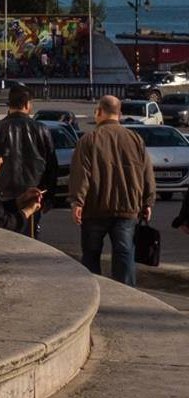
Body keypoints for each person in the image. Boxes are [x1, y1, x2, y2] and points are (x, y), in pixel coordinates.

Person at [68, 95, 156, 287]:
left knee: (91, 255)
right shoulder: (135, 139)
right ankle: (126, 295)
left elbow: (80, 174)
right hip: (127, 208)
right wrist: (148, 202)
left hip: (95, 208)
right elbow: (147, 172)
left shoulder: (89, 140)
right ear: (120, 114)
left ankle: (94, 292)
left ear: (98, 112)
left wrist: (77, 201)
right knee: (124, 255)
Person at [0, 82, 58, 239]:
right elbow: (51, 166)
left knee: (5, 238)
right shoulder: (41, 129)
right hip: (33, 195)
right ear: (27, 104)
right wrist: (49, 197)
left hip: (4, 195)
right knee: (30, 238)